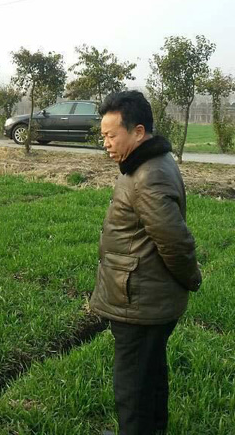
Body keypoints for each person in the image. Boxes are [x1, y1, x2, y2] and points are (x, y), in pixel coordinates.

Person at [91, 90, 202, 435]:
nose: (106, 144)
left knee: (133, 388)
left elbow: (175, 241)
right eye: (103, 136)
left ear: (138, 132)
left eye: (111, 136)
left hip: (139, 303)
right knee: (149, 375)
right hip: (146, 296)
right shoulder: (149, 163)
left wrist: (192, 278)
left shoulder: (147, 175)